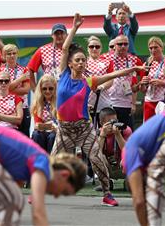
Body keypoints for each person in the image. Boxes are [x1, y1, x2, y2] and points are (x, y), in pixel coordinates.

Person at [51, 13, 146, 206]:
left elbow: (113, 74)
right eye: (77, 60)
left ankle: (107, 194)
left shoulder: (89, 81)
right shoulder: (63, 75)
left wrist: (132, 70)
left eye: (83, 60)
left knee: (97, 159)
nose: (80, 62)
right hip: (64, 129)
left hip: (84, 129)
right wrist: (75, 27)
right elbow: (65, 49)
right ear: (70, 63)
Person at [105, 35, 145, 130]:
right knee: (109, 133)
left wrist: (140, 86)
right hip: (108, 102)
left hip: (126, 104)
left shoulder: (134, 60)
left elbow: (143, 75)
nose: (123, 46)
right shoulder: (105, 58)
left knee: (127, 132)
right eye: (120, 44)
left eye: (125, 44)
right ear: (114, 45)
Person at [0, 44, 30, 136]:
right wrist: (20, 79)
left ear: (17, 54)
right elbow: (1, 89)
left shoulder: (24, 70)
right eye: (9, 54)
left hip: (22, 106)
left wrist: (8, 88)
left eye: (14, 53)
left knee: (24, 137)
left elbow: (25, 90)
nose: (12, 56)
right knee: (8, 136)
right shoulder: (0, 70)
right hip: (5, 108)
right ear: (4, 56)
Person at [28, 23, 67, 90]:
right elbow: (29, 69)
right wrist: (35, 90)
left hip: (67, 88)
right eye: (56, 34)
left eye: (62, 33)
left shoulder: (72, 49)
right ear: (52, 35)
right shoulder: (43, 50)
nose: (59, 36)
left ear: (66, 35)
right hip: (49, 90)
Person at [85, 36, 114, 124]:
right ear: (87, 48)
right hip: (86, 102)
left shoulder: (107, 62)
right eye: (91, 46)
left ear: (101, 48)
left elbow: (110, 79)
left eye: (97, 46)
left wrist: (102, 86)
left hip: (103, 101)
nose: (94, 49)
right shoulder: (82, 61)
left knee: (104, 129)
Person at [140, 37, 165, 121]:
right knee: (149, 129)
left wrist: (162, 82)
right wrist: (142, 83)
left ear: (161, 48)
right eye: (151, 48)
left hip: (163, 100)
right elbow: (143, 90)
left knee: (162, 129)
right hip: (149, 100)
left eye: (156, 47)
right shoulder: (147, 63)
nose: (153, 50)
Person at [98, 107, 131, 172]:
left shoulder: (125, 130)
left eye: (115, 121)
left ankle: (128, 181)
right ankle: (103, 180)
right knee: (97, 158)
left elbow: (128, 150)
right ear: (102, 123)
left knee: (129, 156)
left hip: (121, 163)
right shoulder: (97, 133)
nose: (113, 124)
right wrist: (102, 136)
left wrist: (118, 134)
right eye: (110, 122)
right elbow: (96, 153)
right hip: (106, 165)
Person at [31, 75, 57, 153]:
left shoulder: (59, 102)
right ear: (40, 90)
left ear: (55, 89)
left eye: (51, 88)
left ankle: (52, 162)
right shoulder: (37, 103)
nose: (47, 91)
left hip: (56, 131)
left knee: (52, 136)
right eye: (44, 89)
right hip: (43, 132)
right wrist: (40, 126)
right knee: (36, 135)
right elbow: (37, 123)